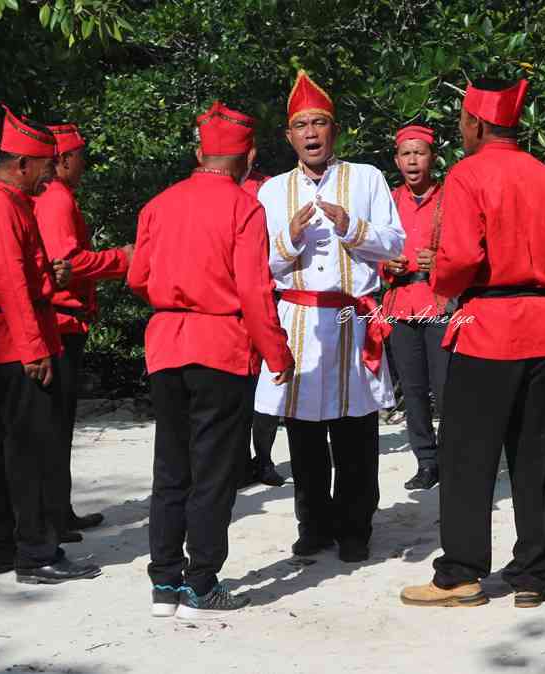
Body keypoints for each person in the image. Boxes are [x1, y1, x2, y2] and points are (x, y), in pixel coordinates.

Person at [400, 77, 545, 609]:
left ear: (475, 122)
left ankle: (460, 573)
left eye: (461, 119)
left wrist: (440, 283)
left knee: (467, 456)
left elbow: (460, 259)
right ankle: (532, 575)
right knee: (539, 456)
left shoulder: (468, 174)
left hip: (487, 326)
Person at [128, 101, 294, 616]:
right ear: (248, 156)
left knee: (170, 467)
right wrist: (277, 351)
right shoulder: (245, 207)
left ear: (200, 152)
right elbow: (254, 289)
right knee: (214, 471)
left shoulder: (159, 203)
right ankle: (200, 584)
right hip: (221, 345)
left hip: (166, 344)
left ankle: (163, 585)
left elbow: (137, 277)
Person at [253, 70, 405, 563]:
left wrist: (353, 227)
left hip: (351, 318)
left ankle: (355, 528)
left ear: (335, 130)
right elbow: (258, 264)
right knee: (304, 433)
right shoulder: (272, 191)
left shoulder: (367, 177)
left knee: (356, 430)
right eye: (302, 126)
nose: (312, 133)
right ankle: (313, 524)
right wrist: (290, 240)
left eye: (320, 123)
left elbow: (397, 244)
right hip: (296, 322)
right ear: (289, 136)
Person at [0, 105, 101, 585]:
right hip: (14, 337)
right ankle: (37, 553)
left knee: (9, 448)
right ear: (22, 164)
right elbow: (10, 284)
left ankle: (0, 547)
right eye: (46, 165)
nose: (51, 175)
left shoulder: (9, 204)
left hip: (11, 335)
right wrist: (34, 348)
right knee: (30, 449)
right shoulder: (1, 208)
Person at [32, 123, 132, 539]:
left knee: (60, 420)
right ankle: (53, 515)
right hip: (61, 323)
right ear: (65, 160)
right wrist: (120, 259)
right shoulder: (57, 199)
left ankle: (59, 510)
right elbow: (66, 262)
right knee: (55, 423)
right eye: (80, 155)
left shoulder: (57, 197)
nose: (85, 163)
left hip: (66, 322)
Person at [381, 124, 451, 491]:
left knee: (446, 389)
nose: (412, 160)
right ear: (396, 160)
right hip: (400, 304)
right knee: (412, 389)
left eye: (419, 153)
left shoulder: (450, 200)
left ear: (433, 158)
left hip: (439, 304)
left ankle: (454, 459)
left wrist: (439, 261)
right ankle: (426, 460)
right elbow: (373, 251)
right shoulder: (388, 201)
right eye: (406, 154)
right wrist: (385, 266)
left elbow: (469, 251)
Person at [235, 142, 287, 488]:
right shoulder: (214, 189)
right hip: (230, 303)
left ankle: (264, 458)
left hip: (267, 292)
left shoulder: (270, 188)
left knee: (268, 383)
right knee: (235, 387)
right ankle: (237, 462)